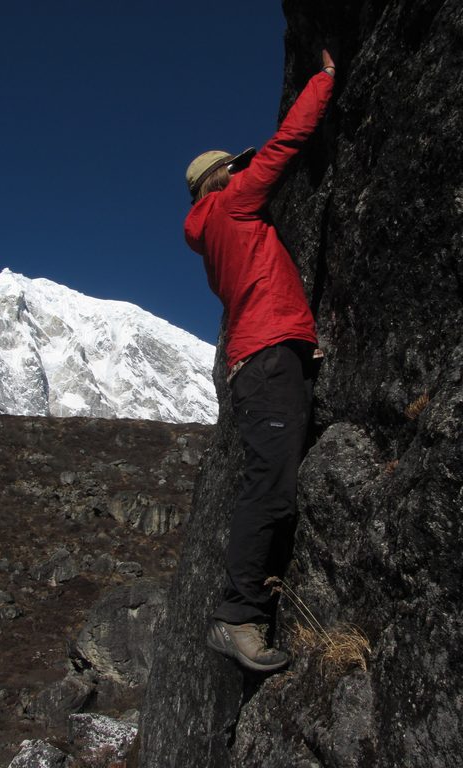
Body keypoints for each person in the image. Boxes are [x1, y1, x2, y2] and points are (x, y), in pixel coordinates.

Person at [184, 50, 336, 673]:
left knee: (269, 483)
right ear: (222, 179)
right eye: (235, 168)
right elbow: (286, 144)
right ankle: (237, 616)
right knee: (270, 488)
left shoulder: (211, 233)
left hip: (263, 357)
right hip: (270, 358)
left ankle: (242, 611)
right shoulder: (233, 205)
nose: (245, 171)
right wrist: (324, 80)